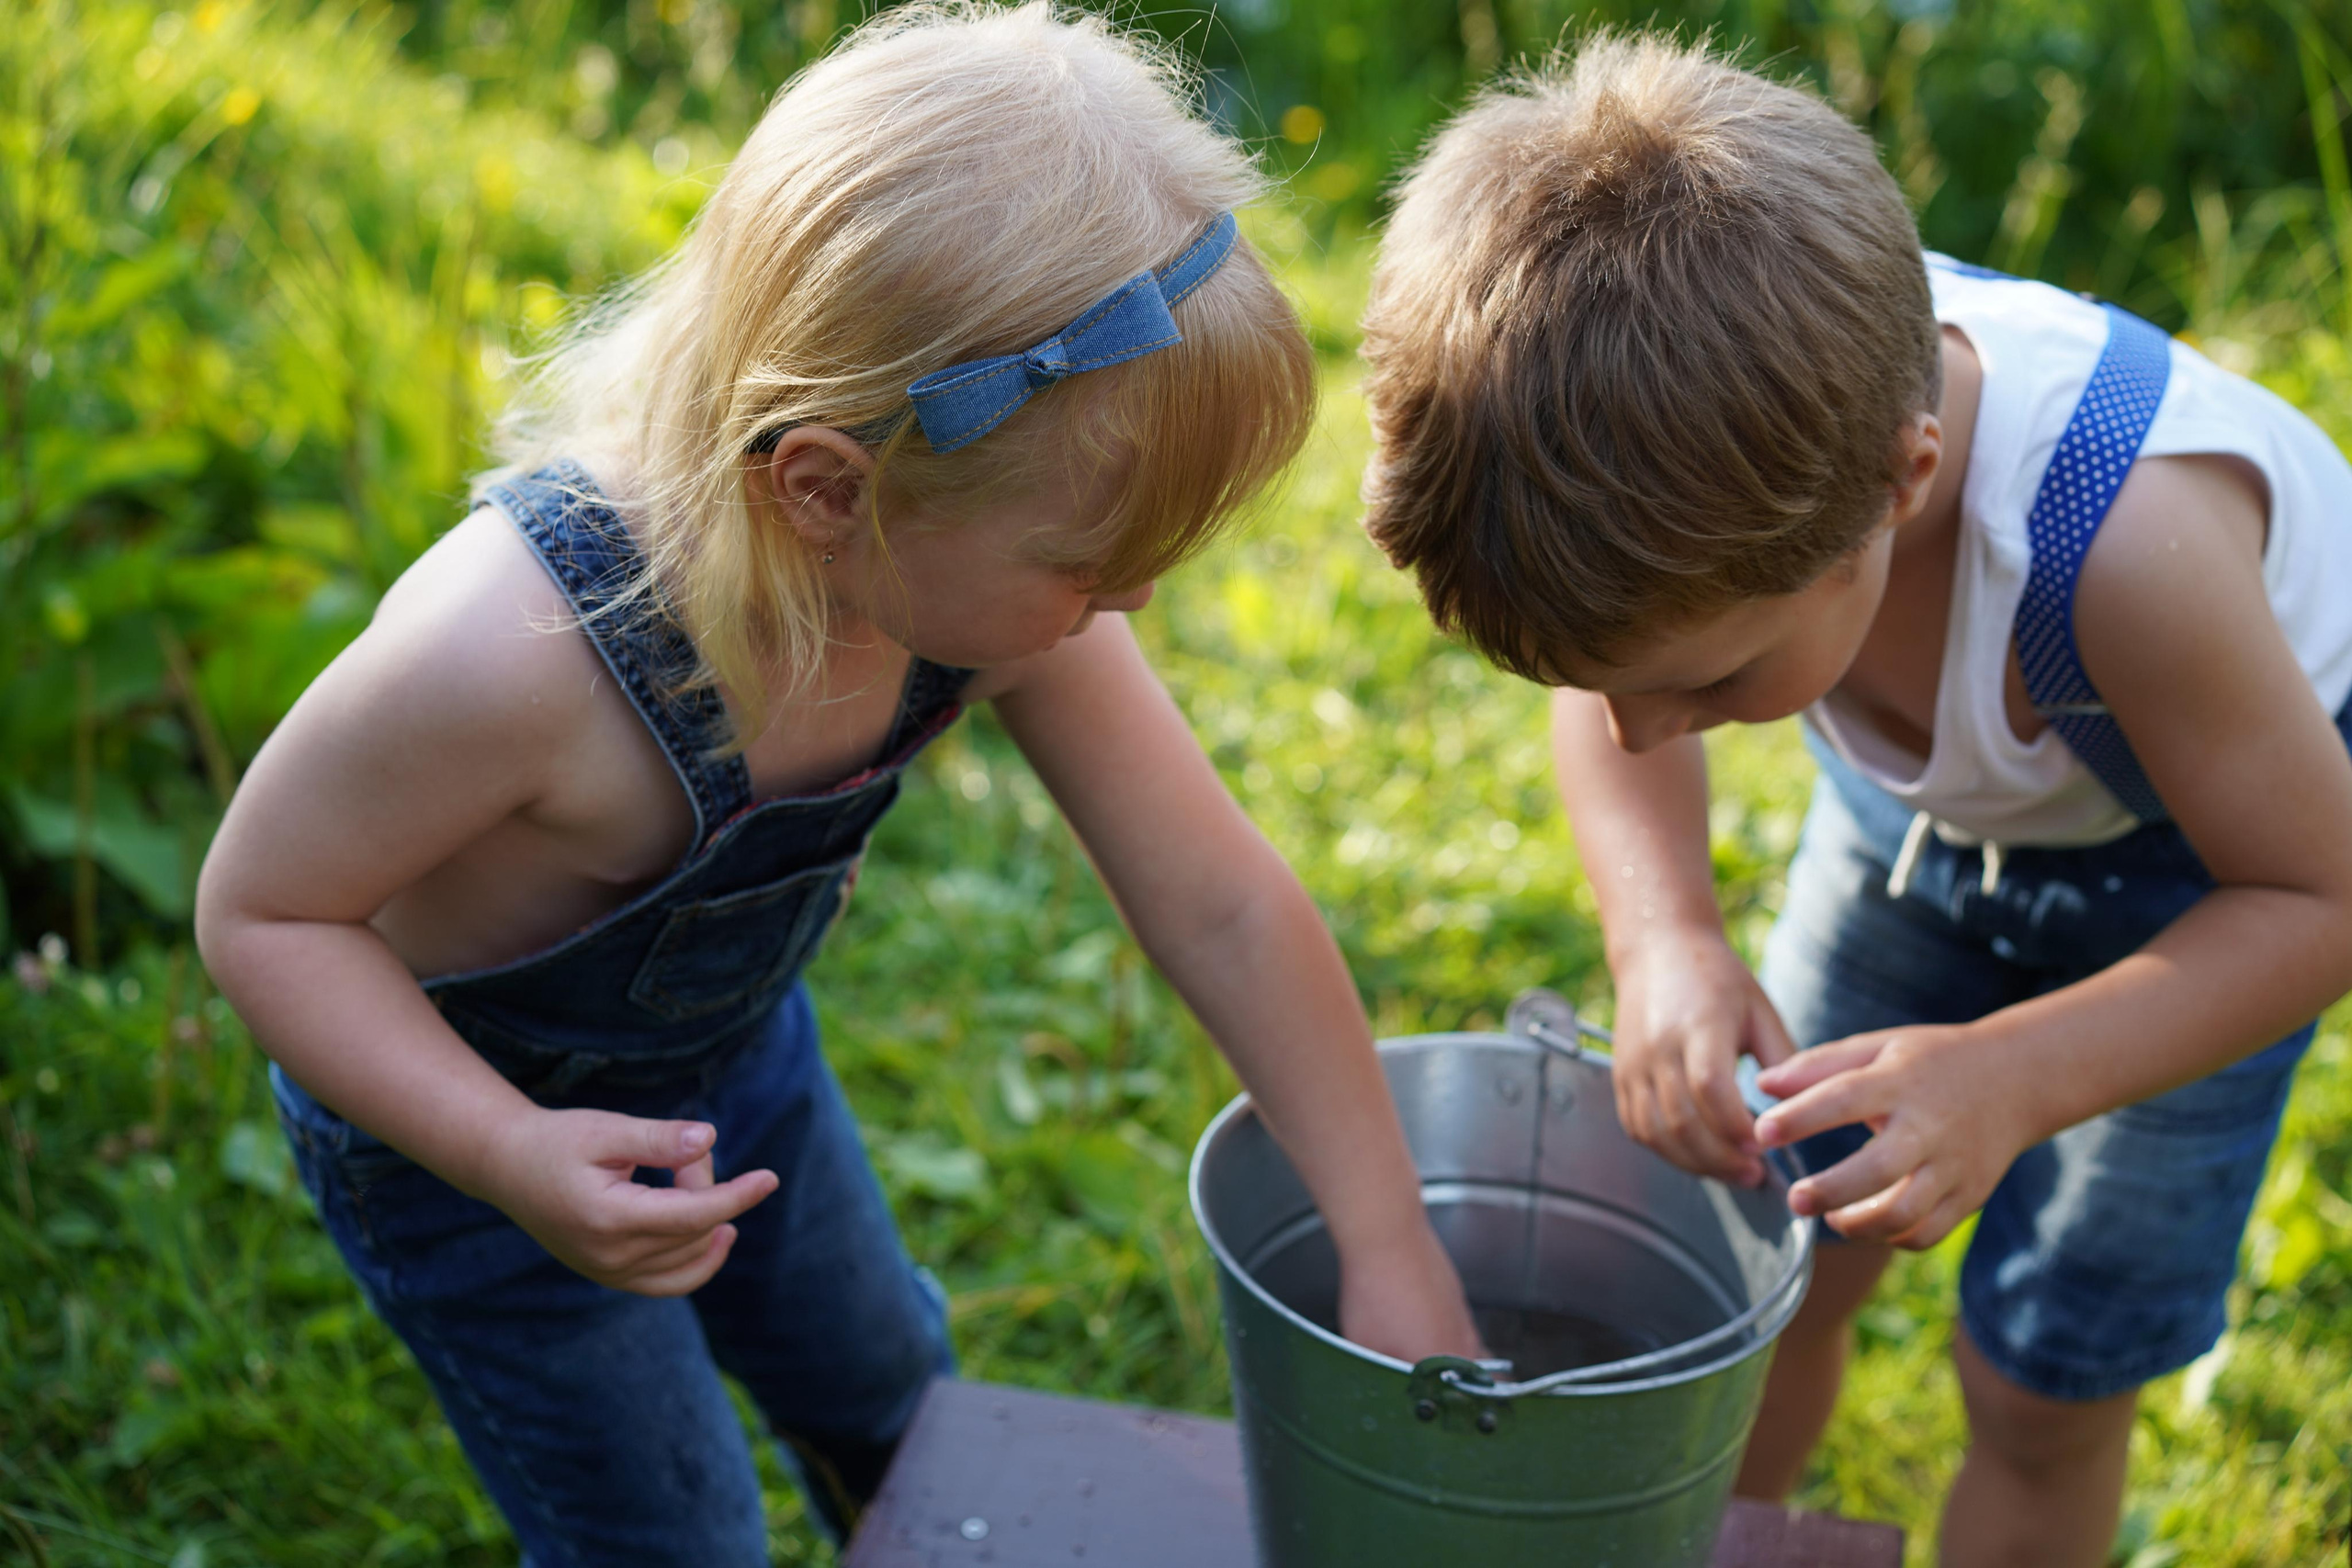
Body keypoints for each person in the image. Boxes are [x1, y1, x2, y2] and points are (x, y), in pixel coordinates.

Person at [194, 7, 1480, 1562]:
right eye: (1094, 565)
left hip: (737, 1071)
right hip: (469, 1138)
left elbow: (1215, 901)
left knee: (895, 1395)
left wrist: (1387, 1233)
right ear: (825, 489)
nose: (1130, 606)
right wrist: (505, 1155)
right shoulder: (512, 657)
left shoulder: (979, 597)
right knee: (674, 1537)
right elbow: (264, 913)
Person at [1354, 33, 2352, 1568]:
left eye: (1706, 680)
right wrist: (1666, 933)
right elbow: (1622, 693)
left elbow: (2321, 898)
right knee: (1781, 1249)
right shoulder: (1733, 438)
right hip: (1923, 828)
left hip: (2214, 879)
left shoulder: (2129, 547)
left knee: (2039, 1374)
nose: (1637, 734)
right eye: (1604, 680)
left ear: (1904, 482)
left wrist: (2016, 1074)